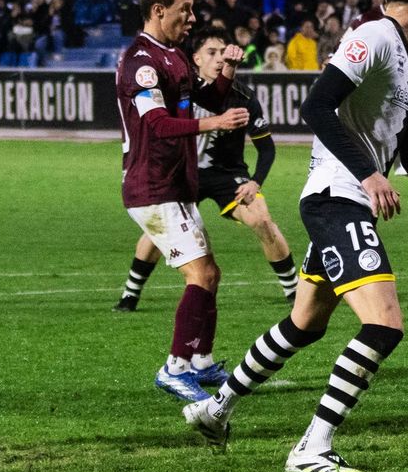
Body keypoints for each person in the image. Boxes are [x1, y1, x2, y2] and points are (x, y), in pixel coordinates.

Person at [183, 0, 408, 472]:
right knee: (385, 324)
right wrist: (369, 173)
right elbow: (316, 106)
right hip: (335, 198)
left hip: (346, 202)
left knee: (304, 324)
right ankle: (312, 447)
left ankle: (214, 408)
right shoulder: (373, 35)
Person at [115, 0, 250, 406]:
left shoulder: (173, 55)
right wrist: (215, 124)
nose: (192, 18)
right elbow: (157, 123)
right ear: (159, 10)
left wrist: (228, 69)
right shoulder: (141, 62)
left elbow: (207, 100)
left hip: (175, 184)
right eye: (184, 9)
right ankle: (175, 368)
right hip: (152, 186)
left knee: (211, 273)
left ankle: (201, 360)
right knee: (201, 274)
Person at [114, 28, 299, 312]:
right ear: (196, 59)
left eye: (222, 52)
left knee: (262, 219)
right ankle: (130, 294)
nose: (218, 58)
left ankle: (294, 290)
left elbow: (267, 148)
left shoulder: (241, 96)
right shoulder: (181, 88)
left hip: (227, 174)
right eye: (211, 52)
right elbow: (158, 122)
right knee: (159, 228)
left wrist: (255, 181)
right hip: (184, 171)